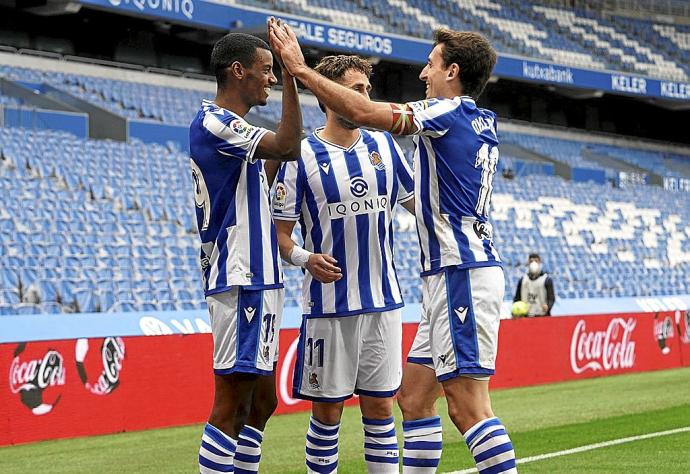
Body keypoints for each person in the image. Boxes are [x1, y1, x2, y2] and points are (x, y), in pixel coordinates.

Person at [269, 23, 517, 473]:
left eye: (431, 64)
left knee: (468, 407)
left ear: (453, 71)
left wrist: (300, 70)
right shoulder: (481, 119)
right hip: (443, 277)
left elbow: (368, 116)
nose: (423, 73)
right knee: (416, 397)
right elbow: (418, 195)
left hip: (459, 273)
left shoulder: (445, 114)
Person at [272, 54, 415, 474]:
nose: (366, 98)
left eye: (367, 89)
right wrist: (305, 258)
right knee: (327, 415)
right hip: (329, 309)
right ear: (328, 96)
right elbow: (281, 236)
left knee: (381, 409)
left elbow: (419, 206)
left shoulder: (385, 147)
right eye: (357, 90)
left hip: (383, 304)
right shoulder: (300, 155)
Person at [189, 22, 302, 474]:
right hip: (241, 277)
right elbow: (287, 145)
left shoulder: (236, 134)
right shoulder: (216, 123)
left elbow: (276, 161)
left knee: (262, 403)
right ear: (238, 72)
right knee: (232, 403)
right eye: (267, 70)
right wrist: (297, 75)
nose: (272, 78)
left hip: (262, 279)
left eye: (277, 71)